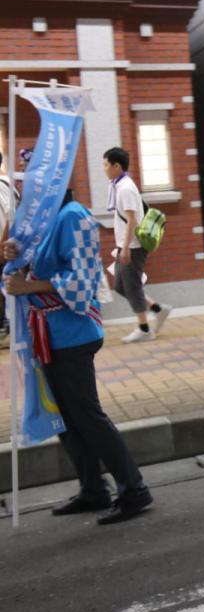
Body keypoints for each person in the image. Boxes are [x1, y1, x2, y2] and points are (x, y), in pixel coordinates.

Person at [3, 191, 153, 524]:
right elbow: (31, 266)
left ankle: (134, 489)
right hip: (49, 335)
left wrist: (30, 286)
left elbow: (83, 281)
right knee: (66, 419)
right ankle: (93, 489)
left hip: (72, 334)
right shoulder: (43, 218)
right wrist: (15, 254)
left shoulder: (74, 216)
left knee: (85, 415)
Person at [103, 147, 172, 343]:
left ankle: (144, 329)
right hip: (125, 245)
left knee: (131, 287)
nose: (105, 169)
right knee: (120, 286)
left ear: (117, 166)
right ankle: (158, 310)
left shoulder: (125, 188)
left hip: (132, 246)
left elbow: (132, 219)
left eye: (106, 164)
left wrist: (125, 248)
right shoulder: (120, 185)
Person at [0, 151, 17, 348]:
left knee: (8, 289)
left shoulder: (1, 184)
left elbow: (11, 215)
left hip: (6, 250)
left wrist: (2, 245)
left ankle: (12, 332)